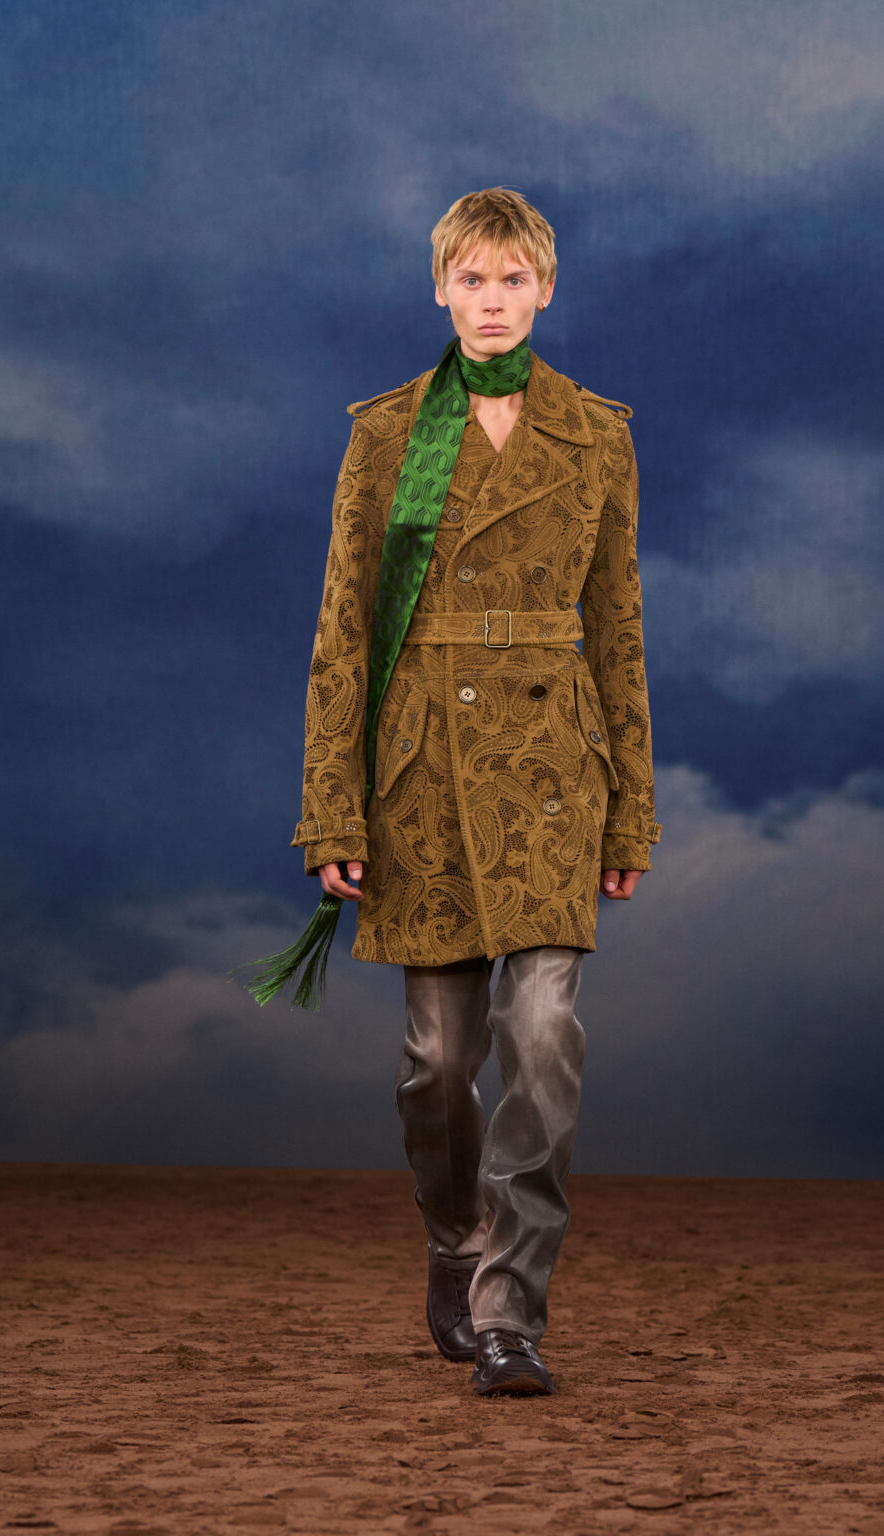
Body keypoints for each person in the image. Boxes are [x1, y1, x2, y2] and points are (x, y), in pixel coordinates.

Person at [290, 187, 660, 1395]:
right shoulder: (386, 433)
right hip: (422, 772)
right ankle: (454, 1242)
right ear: (438, 288)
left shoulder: (595, 435)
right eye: (470, 279)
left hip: (551, 769)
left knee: (542, 1037)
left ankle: (510, 1309)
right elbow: (342, 632)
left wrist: (630, 808)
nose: (491, 301)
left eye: (511, 280)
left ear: (545, 289)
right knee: (436, 1066)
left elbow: (618, 631)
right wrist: (331, 807)